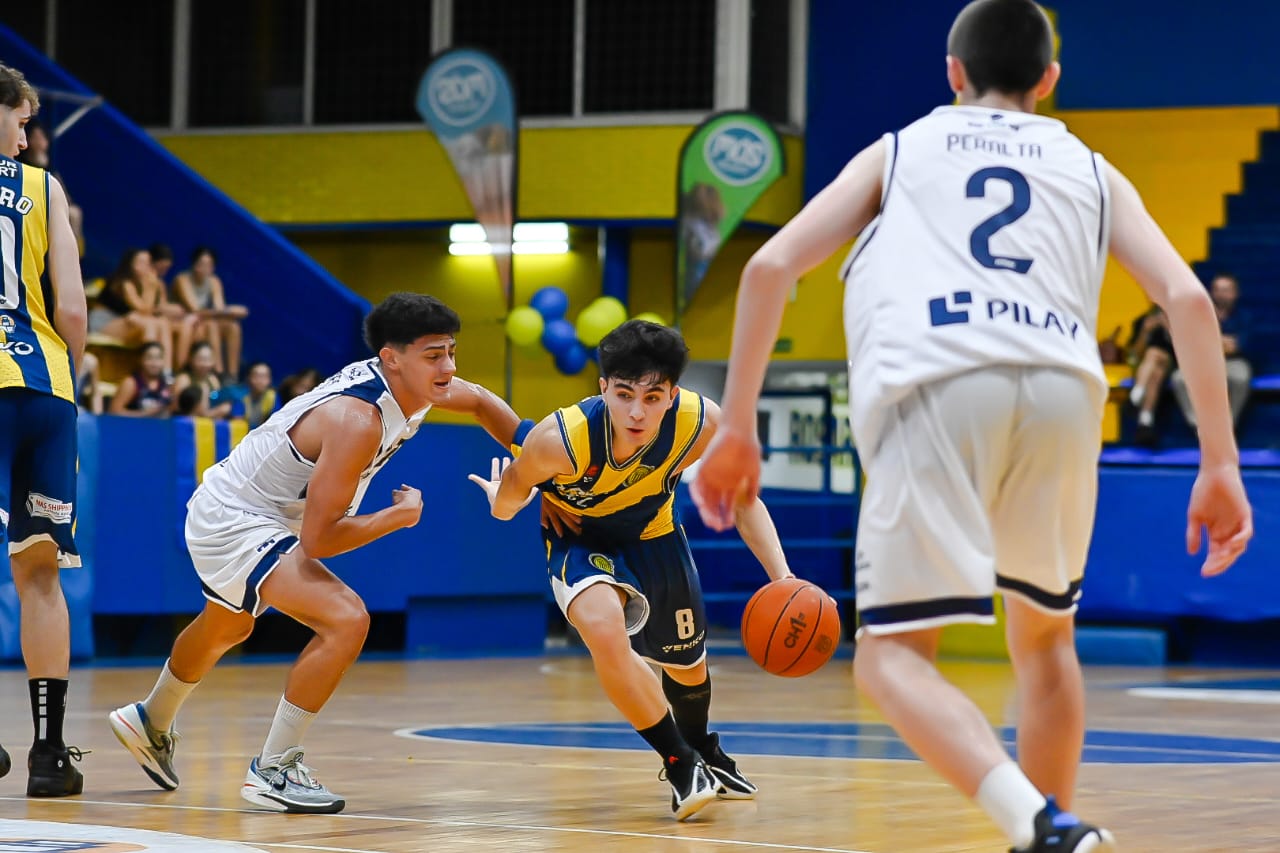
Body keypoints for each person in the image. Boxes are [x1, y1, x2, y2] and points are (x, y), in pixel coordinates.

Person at [688, 2, 1253, 851]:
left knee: (891, 656)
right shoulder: (1094, 167)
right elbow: (1184, 301)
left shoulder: (903, 148)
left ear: (952, 72)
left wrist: (738, 427)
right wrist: (1220, 461)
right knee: (1047, 640)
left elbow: (771, 265)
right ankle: (1050, 833)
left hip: (937, 377)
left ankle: (1036, 821)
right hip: (1066, 389)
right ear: (1050, 82)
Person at [109, 292, 524, 814]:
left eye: (451, 352)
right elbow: (320, 540)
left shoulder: (418, 386)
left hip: (253, 507)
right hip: (237, 515)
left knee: (229, 625)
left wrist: (541, 468)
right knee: (346, 619)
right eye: (434, 355)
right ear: (392, 358)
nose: (448, 367)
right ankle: (274, 768)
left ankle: (150, 719)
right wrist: (395, 518)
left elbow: (485, 403)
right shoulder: (358, 419)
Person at [468, 319, 795, 822]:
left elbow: (744, 499)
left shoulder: (702, 423)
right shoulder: (560, 440)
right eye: (624, 395)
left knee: (686, 664)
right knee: (603, 629)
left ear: (673, 395)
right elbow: (507, 503)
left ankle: (702, 748)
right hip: (581, 539)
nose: (637, 411)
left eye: (652, 396)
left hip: (653, 533)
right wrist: (508, 501)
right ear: (603, 388)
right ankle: (680, 763)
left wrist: (784, 577)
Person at [0, 63, 90, 797]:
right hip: (47, 391)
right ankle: (48, 754)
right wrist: (72, 382)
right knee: (41, 575)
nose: (28, 137)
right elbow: (72, 310)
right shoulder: (43, 189)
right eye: (22, 121)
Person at [1170, 272, 1251, 431]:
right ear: (1212, 292)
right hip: (1202, 361)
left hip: (1232, 362)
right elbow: (1190, 343)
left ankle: (1228, 426)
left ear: (1235, 293)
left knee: (1241, 376)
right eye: (1218, 290)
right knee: (1178, 378)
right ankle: (1199, 426)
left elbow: (1238, 346)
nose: (1221, 295)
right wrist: (1222, 342)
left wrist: (1210, 343)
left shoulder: (1245, 317)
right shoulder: (1198, 315)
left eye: (1226, 290)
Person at [172, 247, 248, 379]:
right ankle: (217, 370)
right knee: (212, 325)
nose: (205, 268)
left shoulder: (214, 281)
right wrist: (230, 310)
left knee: (233, 327)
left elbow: (219, 307)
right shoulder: (182, 279)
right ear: (194, 264)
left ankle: (232, 375)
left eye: (209, 265)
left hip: (205, 320)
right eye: (201, 264)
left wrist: (228, 311)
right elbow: (195, 309)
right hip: (186, 321)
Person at [107, 342, 174, 417]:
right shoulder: (131, 383)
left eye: (159, 358)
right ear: (140, 359)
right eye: (149, 358)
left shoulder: (167, 383)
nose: (154, 363)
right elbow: (114, 412)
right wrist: (145, 414)